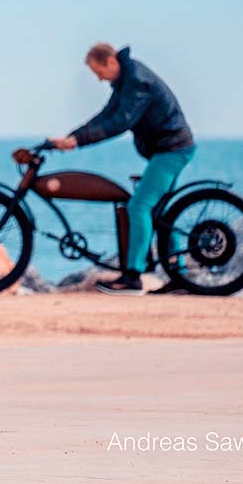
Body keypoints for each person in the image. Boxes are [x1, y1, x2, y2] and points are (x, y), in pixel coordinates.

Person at [50, 43, 196, 295]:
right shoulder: (125, 81)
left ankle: (132, 276)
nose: (98, 79)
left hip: (172, 150)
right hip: (168, 149)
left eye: (99, 72)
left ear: (110, 61)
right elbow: (106, 114)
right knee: (160, 212)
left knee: (138, 206)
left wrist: (78, 142)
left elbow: (121, 122)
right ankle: (180, 276)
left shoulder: (138, 81)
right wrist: (73, 137)